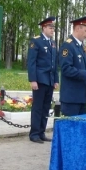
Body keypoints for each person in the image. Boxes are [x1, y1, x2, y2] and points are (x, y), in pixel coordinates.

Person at [59, 15, 86, 116]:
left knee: (79, 130)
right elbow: (66, 69)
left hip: (81, 97)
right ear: (78, 28)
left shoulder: (81, 46)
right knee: (71, 129)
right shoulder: (68, 45)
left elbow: (84, 68)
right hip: (71, 98)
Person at [27, 16, 59, 144]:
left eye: (53, 28)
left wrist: (56, 79)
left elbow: (54, 63)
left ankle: (41, 132)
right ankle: (34, 133)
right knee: (38, 107)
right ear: (44, 27)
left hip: (50, 80)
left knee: (46, 107)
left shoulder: (52, 43)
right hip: (40, 79)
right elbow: (31, 62)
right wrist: (33, 80)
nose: (52, 30)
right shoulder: (36, 41)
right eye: (50, 27)